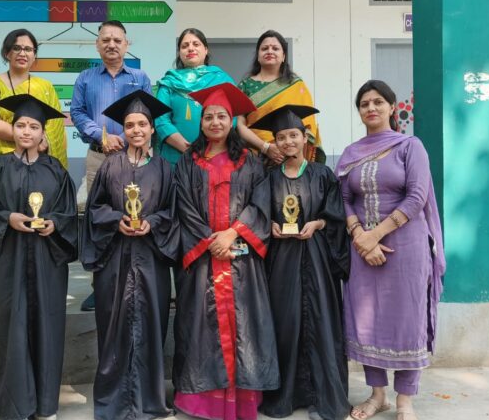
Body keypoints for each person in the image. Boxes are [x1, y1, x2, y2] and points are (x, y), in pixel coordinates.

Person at [337, 80, 446, 420]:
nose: (371, 108)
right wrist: (359, 235)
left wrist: (375, 235)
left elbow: (417, 196)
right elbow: (344, 198)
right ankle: (377, 395)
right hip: (362, 248)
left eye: (378, 102)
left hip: (406, 246)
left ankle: (405, 400)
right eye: (364, 103)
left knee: (406, 320)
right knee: (367, 320)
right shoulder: (352, 152)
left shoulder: (410, 146)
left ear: (392, 107)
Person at [172, 83, 278, 420]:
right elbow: (183, 207)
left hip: (241, 257)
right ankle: (204, 401)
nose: (215, 122)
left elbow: (260, 204)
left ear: (231, 121)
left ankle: (242, 400)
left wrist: (232, 233)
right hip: (203, 257)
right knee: (200, 327)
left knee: (244, 326)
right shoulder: (188, 162)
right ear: (201, 123)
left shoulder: (249, 162)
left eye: (221, 116)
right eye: (209, 117)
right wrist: (209, 241)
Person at [82, 90, 180, 420]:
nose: (136, 130)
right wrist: (116, 220)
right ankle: (114, 400)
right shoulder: (110, 166)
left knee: (151, 325)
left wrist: (152, 222)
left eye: (142, 124)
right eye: (129, 125)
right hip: (116, 260)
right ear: (122, 130)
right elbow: (94, 209)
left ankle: (148, 399)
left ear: (152, 129)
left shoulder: (165, 168)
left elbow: (173, 212)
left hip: (150, 259)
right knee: (114, 326)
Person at [250, 105, 351, 420]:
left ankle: (323, 396)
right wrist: (269, 226)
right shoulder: (268, 178)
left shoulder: (322, 174)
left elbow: (336, 215)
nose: (288, 142)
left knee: (321, 321)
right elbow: (259, 214)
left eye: (293, 135)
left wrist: (318, 224)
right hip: (282, 260)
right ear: (275, 142)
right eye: (281, 137)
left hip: (316, 257)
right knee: (286, 322)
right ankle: (286, 396)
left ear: (305, 137)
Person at [0, 94, 79, 420]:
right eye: (20, 125)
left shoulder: (56, 170)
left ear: (43, 133)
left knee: (45, 326)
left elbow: (68, 212)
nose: (26, 131)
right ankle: (14, 407)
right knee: (10, 327)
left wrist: (55, 224)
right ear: (12, 129)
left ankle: (44, 404)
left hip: (45, 258)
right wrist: (7, 217)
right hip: (7, 258)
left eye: (33, 126)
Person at [71, 20, 153, 311]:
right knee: (100, 218)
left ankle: (135, 281)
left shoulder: (140, 78)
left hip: (134, 158)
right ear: (97, 44)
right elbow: (77, 112)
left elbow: (148, 115)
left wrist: (131, 139)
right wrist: (100, 135)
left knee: (135, 214)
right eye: (105, 39)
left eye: (117, 40)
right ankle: (99, 286)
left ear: (126, 45)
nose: (111, 44)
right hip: (99, 157)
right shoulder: (85, 78)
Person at [0, 28, 68, 168]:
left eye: (28, 49)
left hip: (38, 160)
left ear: (34, 55)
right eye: (16, 48)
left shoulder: (45, 86)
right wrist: (33, 140)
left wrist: (38, 143)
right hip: (1, 160)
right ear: (7, 53)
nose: (22, 53)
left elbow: (55, 126)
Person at [237, 30, 324, 164]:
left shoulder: (296, 85)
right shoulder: (245, 86)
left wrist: (290, 148)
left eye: (275, 48)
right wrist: (265, 147)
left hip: (293, 158)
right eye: (264, 48)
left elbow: (307, 125)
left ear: (283, 56)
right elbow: (239, 125)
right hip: (255, 156)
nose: (269, 51)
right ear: (258, 56)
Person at [155, 28, 235, 167]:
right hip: (176, 158)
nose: (190, 48)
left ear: (206, 50)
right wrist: (188, 150)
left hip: (215, 156)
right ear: (179, 53)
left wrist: (212, 148)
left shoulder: (222, 80)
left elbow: (234, 116)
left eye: (196, 44)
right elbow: (161, 120)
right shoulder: (169, 82)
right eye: (185, 46)